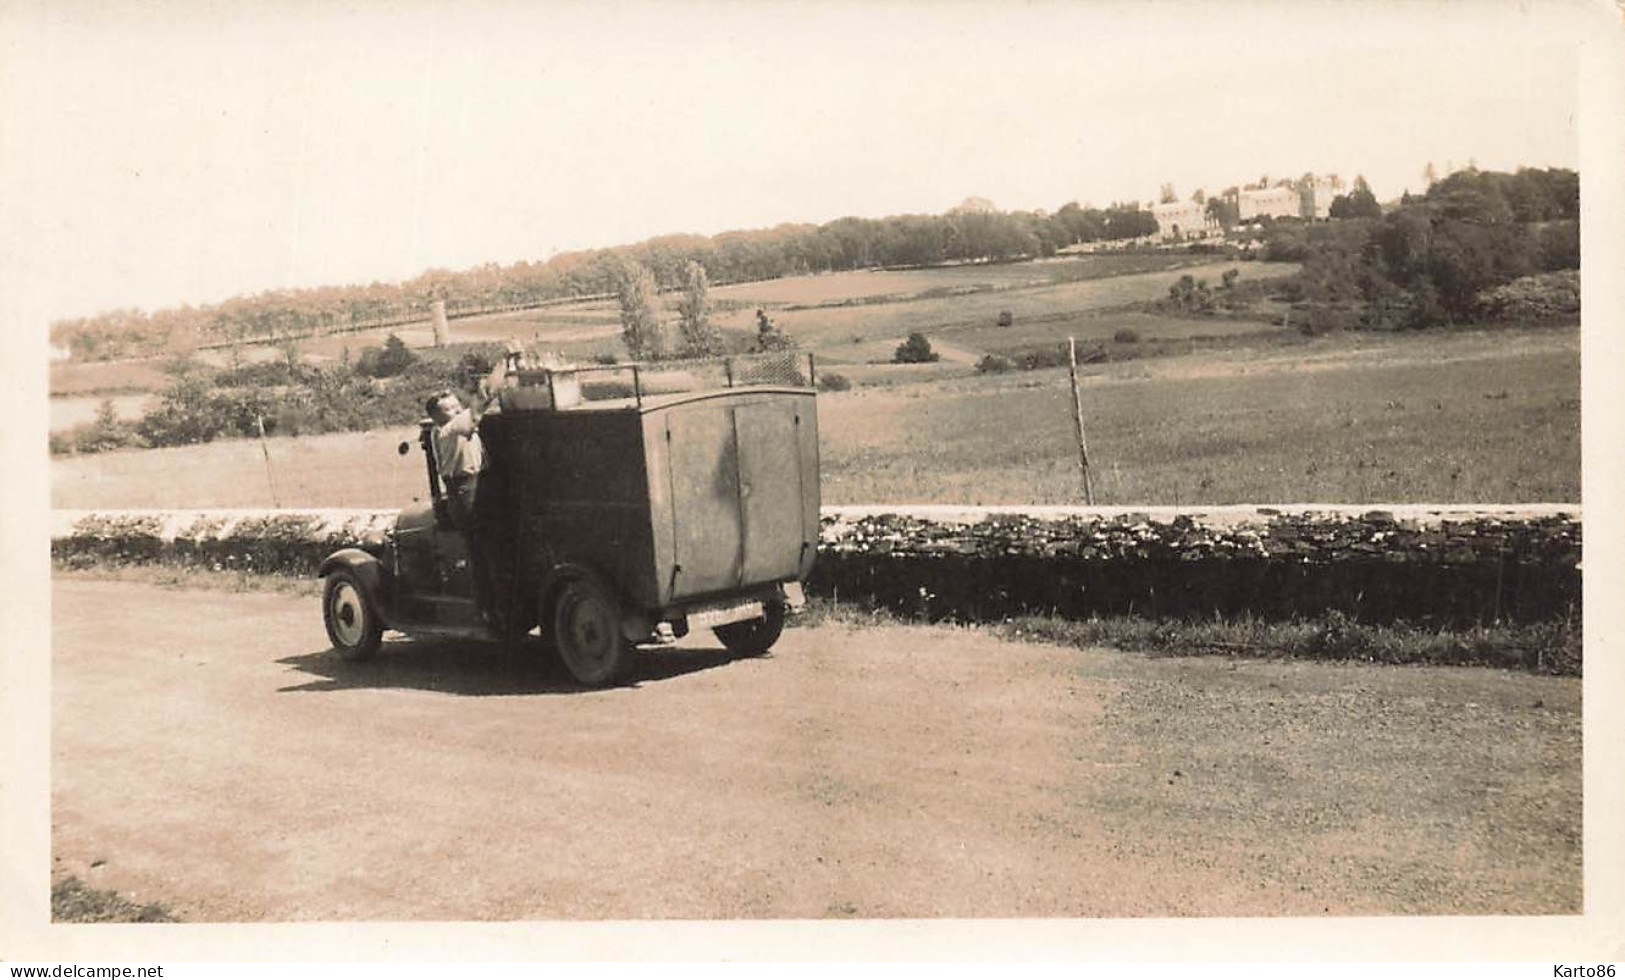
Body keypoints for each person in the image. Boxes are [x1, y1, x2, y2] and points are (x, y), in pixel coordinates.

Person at [424, 342, 521, 628]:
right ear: (438, 417)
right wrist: (503, 362)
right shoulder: (451, 429)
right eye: (450, 410)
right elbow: (483, 398)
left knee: (483, 551)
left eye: (457, 406)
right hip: (467, 492)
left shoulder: (444, 428)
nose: (457, 411)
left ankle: (494, 610)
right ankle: (497, 614)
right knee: (487, 551)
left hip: (469, 488)